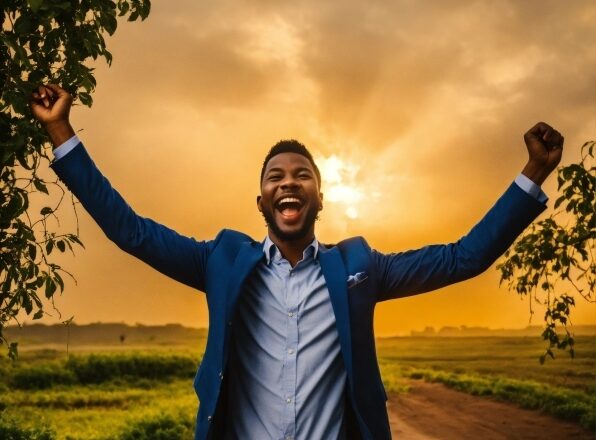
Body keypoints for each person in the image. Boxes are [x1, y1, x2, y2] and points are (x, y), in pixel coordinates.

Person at [30, 84, 563, 440]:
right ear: (261, 201)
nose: (289, 181)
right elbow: (133, 232)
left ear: (319, 198)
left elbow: (461, 259)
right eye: (275, 176)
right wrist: (61, 132)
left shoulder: (360, 268)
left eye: (302, 174)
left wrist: (533, 173)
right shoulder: (222, 260)